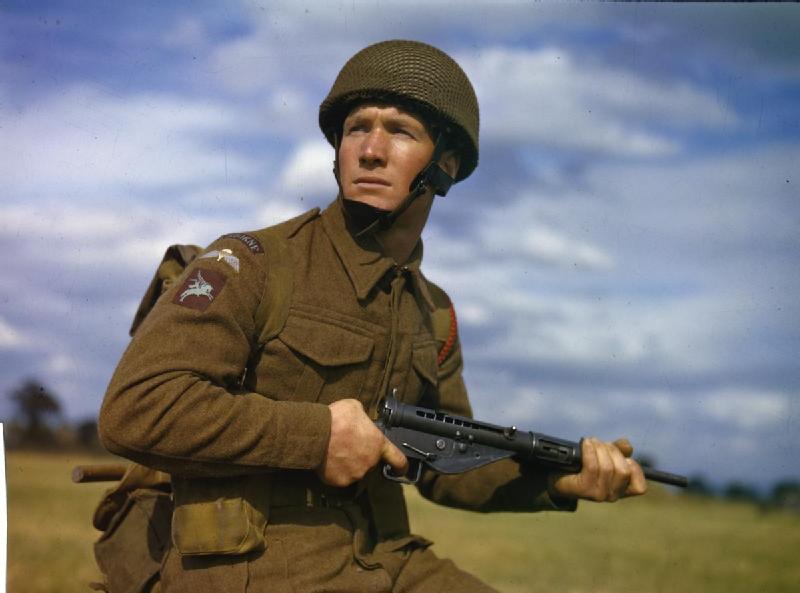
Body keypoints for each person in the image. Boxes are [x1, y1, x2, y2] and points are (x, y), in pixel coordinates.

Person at [99, 39, 646, 593]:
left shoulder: (433, 313)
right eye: (357, 128)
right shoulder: (254, 263)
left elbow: (438, 464)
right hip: (253, 564)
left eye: (401, 131)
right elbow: (137, 407)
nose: (371, 150)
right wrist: (317, 437)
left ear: (446, 164)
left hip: (385, 559)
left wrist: (560, 482)